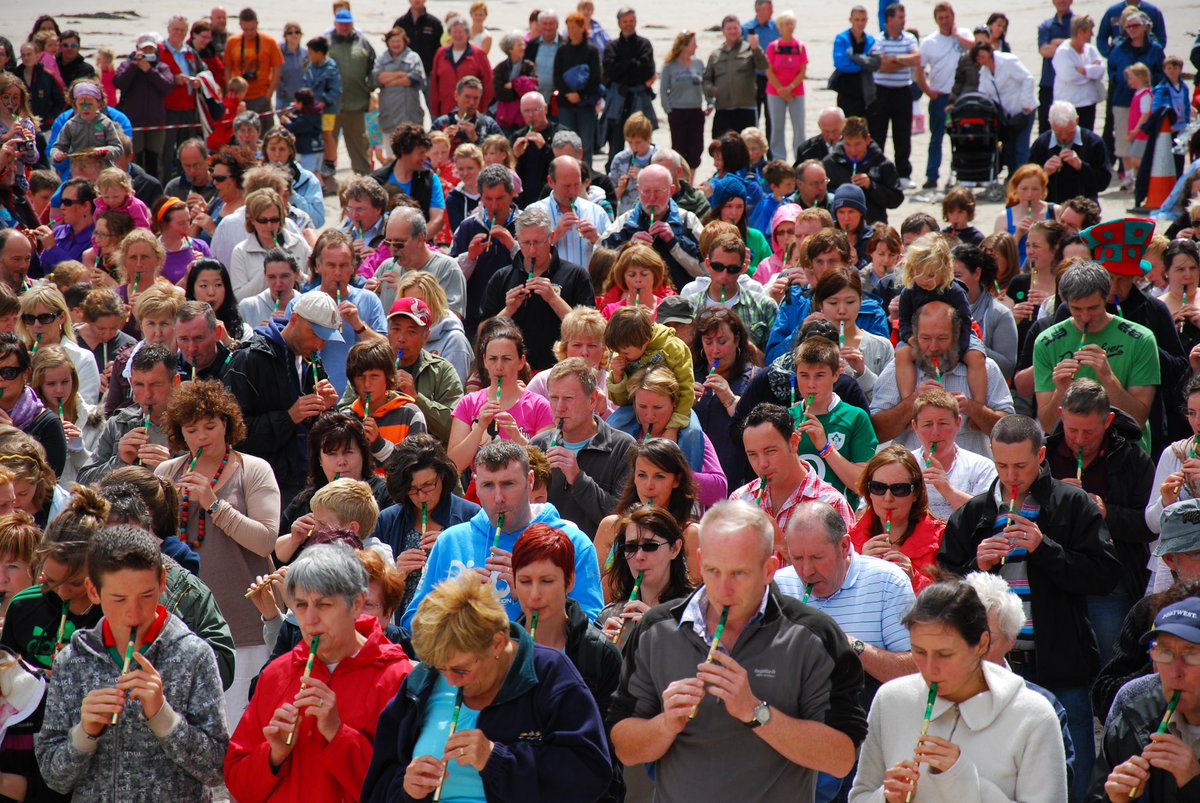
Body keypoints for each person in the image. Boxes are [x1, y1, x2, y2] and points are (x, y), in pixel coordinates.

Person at [609, 500, 868, 803]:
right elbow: (624, 748)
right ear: (701, 561)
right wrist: (665, 725)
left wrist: (757, 712)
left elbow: (841, 759)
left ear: (770, 569)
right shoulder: (657, 630)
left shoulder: (814, 636)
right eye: (713, 571)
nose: (724, 589)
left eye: (739, 574)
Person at [938, 414, 1121, 802]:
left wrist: (1045, 549)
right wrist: (976, 567)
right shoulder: (975, 512)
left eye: (1020, 465)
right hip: (990, 668)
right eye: (1001, 465)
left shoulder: (1071, 504)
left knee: (1072, 776)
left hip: (1059, 664)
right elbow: (943, 584)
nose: (1011, 476)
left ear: (1041, 455)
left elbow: (1105, 575)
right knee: (998, 770)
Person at [364, 569, 612, 802]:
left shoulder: (549, 674)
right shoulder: (423, 681)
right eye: (441, 668)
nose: (450, 681)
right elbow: (377, 785)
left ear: (497, 643)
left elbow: (590, 774)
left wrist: (496, 759)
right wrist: (406, 789)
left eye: (462, 670)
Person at [34, 524, 228, 800]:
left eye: (146, 596)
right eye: (119, 599)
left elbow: (218, 768)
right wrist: (84, 733)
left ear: (162, 582)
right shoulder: (72, 660)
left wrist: (165, 717)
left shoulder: (194, 655)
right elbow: (54, 777)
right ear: (93, 591)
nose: (133, 612)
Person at [848, 581, 1069, 802]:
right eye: (919, 652)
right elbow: (860, 795)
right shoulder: (890, 700)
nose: (929, 668)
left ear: (982, 644)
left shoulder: (1034, 716)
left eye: (945, 654)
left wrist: (963, 781)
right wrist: (884, 798)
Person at [226, 543, 412, 800]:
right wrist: (272, 755)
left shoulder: (396, 678)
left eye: (323, 605)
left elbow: (398, 791)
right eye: (301, 605)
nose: (310, 619)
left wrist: (338, 734)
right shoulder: (277, 674)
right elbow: (237, 783)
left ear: (357, 604)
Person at [155, 380, 279, 725]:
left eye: (210, 426)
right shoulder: (167, 473)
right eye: (191, 430)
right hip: (181, 625)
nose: (201, 437)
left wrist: (214, 504)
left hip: (246, 624)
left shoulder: (253, 469)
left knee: (242, 725)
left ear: (227, 423)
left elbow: (266, 540)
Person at [778, 499, 916, 800]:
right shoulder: (779, 585)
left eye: (816, 557)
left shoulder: (887, 581)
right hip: (795, 741)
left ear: (844, 547)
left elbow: (915, 672)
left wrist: (845, 643)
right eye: (796, 558)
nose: (805, 570)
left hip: (868, 741)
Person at [1044, 378, 1154, 667]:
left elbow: (1149, 524)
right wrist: (1053, 494)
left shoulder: (1132, 459)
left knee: (1112, 661)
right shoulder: (1043, 458)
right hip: (1057, 578)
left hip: (1111, 582)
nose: (1080, 440)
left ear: (1109, 422)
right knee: (1062, 666)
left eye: (1089, 432)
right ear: (1060, 415)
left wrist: (1106, 512)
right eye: (1072, 430)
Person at [224, 290, 342, 506]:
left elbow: (321, 433)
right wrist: (288, 417)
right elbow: (231, 434)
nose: (320, 345)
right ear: (294, 319)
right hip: (262, 489)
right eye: (315, 333)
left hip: (308, 484)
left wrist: (329, 412)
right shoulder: (249, 359)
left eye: (325, 338)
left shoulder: (312, 360)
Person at [1033, 261, 1158, 453]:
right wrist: (1061, 390)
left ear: (1106, 298)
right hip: (1069, 455)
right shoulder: (1046, 342)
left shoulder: (1141, 339)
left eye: (1093, 308)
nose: (1084, 317)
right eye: (1076, 309)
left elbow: (1138, 419)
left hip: (1124, 454)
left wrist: (1108, 378)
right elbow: (1049, 425)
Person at [871, 301, 1015, 457]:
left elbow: (1009, 432)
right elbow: (876, 434)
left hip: (971, 477)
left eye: (941, 338)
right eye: (925, 338)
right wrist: (911, 403)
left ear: (957, 335)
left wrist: (974, 409)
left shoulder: (985, 368)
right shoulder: (898, 369)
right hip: (913, 474)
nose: (933, 347)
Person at [479, 207, 596, 371]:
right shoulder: (501, 277)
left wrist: (554, 299)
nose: (532, 250)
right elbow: (483, 334)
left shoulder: (576, 275)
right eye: (526, 243)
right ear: (517, 239)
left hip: (563, 371)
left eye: (538, 242)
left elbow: (589, 331)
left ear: (552, 237)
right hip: (513, 374)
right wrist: (509, 310)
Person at [528, 358, 635, 536]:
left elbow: (622, 522)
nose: (559, 408)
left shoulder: (623, 447)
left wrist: (578, 479)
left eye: (568, 398)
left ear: (592, 400)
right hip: (544, 557)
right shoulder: (538, 445)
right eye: (554, 398)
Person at [448, 325, 552, 470]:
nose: (499, 366)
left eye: (506, 359)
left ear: (521, 362)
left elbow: (545, 467)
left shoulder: (540, 406)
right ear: (484, 361)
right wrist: (479, 429)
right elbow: (454, 465)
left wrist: (517, 437)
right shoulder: (468, 403)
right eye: (492, 359)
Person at [851, 445, 946, 594]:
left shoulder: (942, 537)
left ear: (916, 493)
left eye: (899, 489)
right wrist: (859, 568)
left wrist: (914, 580)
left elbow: (951, 603)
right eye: (878, 487)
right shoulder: (849, 540)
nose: (888, 498)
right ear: (868, 491)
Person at [909, 389, 998, 521]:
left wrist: (948, 491)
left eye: (943, 424)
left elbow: (988, 515)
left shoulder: (981, 466)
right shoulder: (904, 465)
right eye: (927, 425)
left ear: (958, 423)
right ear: (915, 427)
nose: (935, 432)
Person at [868, 3, 927, 190]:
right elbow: (881, 65)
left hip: (902, 90)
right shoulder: (877, 40)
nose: (903, 22)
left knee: (902, 134)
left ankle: (903, 174)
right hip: (881, 91)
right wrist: (902, 61)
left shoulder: (909, 38)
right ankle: (877, 171)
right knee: (878, 134)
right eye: (900, 18)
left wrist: (894, 59)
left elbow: (917, 59)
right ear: (888, 20)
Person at [919, 3, 972, 190]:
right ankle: (932, 175)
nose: (944, 21)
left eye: (947, 17)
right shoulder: (929, 42)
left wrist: (956, 36)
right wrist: (926, 89)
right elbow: (919, 67)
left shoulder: (964, 35)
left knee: (961, 138)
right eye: (940, 18)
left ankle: (960, 174)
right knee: (937, 137)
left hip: (962, 97)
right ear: (936, 20)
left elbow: (976, 50)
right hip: (940, 96)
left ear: (953, 16)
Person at [229, 188, 311, 302]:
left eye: (274, 220)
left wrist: (299, 276)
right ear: (252, 220)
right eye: (262, 220)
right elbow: (239, 297)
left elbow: (313, 284)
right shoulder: (241, 252)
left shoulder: (298, 243)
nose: (269, 226)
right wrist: (269, 270)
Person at [601, 7, 656, 173]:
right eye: (625, 21)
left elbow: (646, 70)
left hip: (639, 100)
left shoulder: (644, 44)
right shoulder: (612, 46)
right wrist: (632, 64)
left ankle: (647, 174)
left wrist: (622, 67)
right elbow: (609, 72)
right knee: (615, 147)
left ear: (636, 22)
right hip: (617, 102)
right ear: (619, 23)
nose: (628, 25)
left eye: (631, 21)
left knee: (643, 142)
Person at [953, 244, 1019, 381]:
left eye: (957, 276)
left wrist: (967, 341)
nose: (951, 282)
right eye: (947, 276)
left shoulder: (1000, 314)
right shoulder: (938, 308)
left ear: (977, 273)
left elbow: (1007, 367)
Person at [822, 115, 904, 225]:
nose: (853, 150)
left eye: (857, 144)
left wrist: (871, 186)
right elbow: (822, 196)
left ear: (867, 140)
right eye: (848, 144)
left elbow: (896, 199)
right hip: (839, 228)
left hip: (873, 227)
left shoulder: (882, 163)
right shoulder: (830, 163)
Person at [973, 41, 1037, 176]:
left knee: (1021, 148)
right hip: (1007, 117)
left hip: (1025, 111)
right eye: (977, 57)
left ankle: (1023, 178)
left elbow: (1028, 79)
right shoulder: (984, 73)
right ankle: (1014, 178)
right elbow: (983, 95)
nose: (980, 59)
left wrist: (1025, 104)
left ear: (989, 51)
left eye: (981, 55)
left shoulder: (1008, 61)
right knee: (1010, 148)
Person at [1029, 100, 1112, 204]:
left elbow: (1102, 183)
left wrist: (1081, 166)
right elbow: (1026, 185)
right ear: (1050, 123)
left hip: (1084, 210)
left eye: (1069, 132)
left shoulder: (1094, 142)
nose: (1064, 137)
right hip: (1049, 211)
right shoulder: (1041, 143)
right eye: (1058, 133)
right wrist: (1044, 173)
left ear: (1077, 121)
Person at [115, 35, 176, 176]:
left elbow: (167, 87)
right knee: (135, 160)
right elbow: (119, 82)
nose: (147, 52)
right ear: (137, 50)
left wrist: (149, 70)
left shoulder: (162, 67)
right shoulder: (127, 65)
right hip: (134, 123)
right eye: (144, 49)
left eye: (150, 49)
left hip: (156, 123)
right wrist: (134, 66)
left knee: (155, 161)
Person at [703, 15, 768, 141]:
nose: (733, 31)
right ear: (723, 31)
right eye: (729, 28)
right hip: (723, 109)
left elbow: (763, 65)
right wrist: (713, 91)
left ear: (740, 29)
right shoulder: (715, 55)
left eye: (735, 28)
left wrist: (756, 48)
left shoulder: (749, 49)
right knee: (722, 146)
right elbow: (707, 79)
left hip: (746, 108)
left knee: (747, 146)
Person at [225, 8, 284, 128]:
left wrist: (268, 95)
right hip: (239, 98)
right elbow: (227, 68)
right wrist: (230, 92)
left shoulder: (269, 42)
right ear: (240, 25)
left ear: (257, 24)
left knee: (265, 135)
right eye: (245, 29)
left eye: (252, 29)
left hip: (261, 97)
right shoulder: (232, 42)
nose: (249, 33)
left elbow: (277, 69)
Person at [1052, 16, 1105, 132]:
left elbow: (1101, 70)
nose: (1092, 34)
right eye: (1090, 31)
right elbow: (1069, 76)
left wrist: (1084, 70)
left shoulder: (1090, 50)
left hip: (1088, 103)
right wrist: (1090, 73)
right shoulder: (1063, 52)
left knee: (1086, 141)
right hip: (1068, 106)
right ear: (1080, 32)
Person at [374, 27, 426, 138]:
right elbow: (378, 78)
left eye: (398, 41)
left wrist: (389, 81)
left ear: (404, 42)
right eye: (392, 41)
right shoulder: (381, 59)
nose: (395, 44)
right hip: (389, 117)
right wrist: (400, 74)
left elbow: (414, 78)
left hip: (411, 116)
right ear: (387, 42)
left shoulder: (413, 58)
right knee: (390, 154)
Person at [832, 7, 878, 120]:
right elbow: (840, 63)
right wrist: (862, 65)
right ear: (851, 20)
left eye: (863, 20)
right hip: (846, 90)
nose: (860, 23)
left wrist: (854, 58)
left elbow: (876, 63)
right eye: (857, 20)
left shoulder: (870, 40)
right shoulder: (842, 39)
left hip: (866, 90)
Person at [1038, 0, 1075, 134]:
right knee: (1045, 126)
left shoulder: (1077, 23)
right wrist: (1069, 44)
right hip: (1049, 82)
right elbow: (1045, 51)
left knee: (1071, 125)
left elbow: (1079, 48)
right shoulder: (1046, 25)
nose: (1062, 1)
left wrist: (1057, 43)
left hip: (1072, 84)